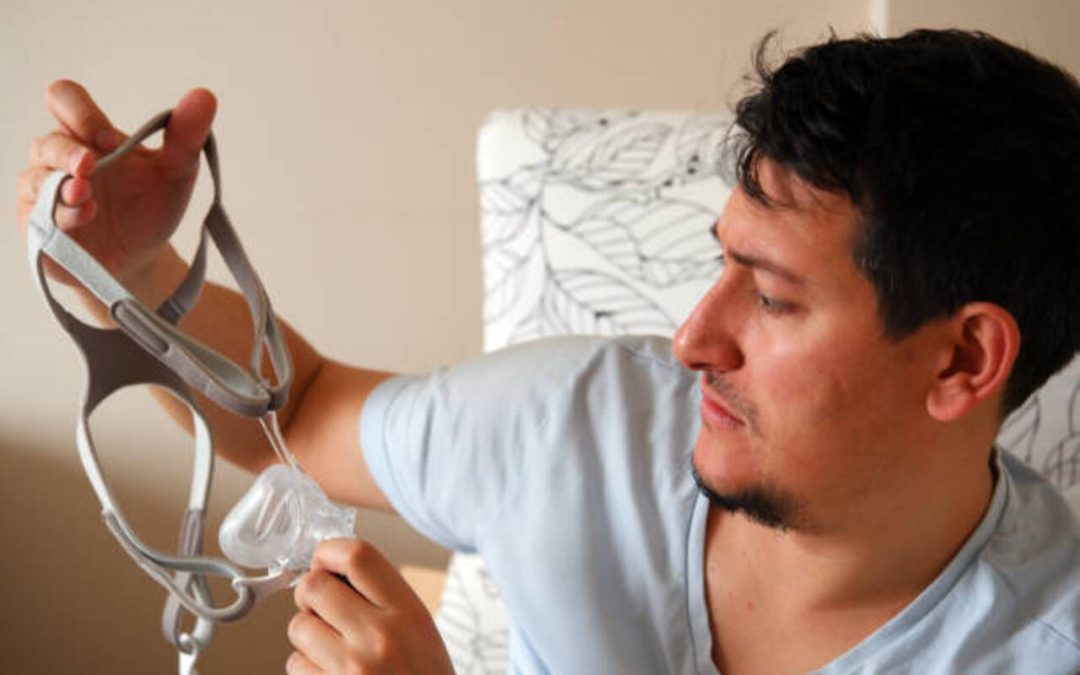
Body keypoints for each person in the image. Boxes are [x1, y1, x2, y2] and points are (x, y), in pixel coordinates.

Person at [16, 28, 1080, 674]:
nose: (692, 340)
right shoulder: (577, 421)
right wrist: (137, 272)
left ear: (963, 363)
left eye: (771, 297)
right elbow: (293, 418)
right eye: (724, 266)